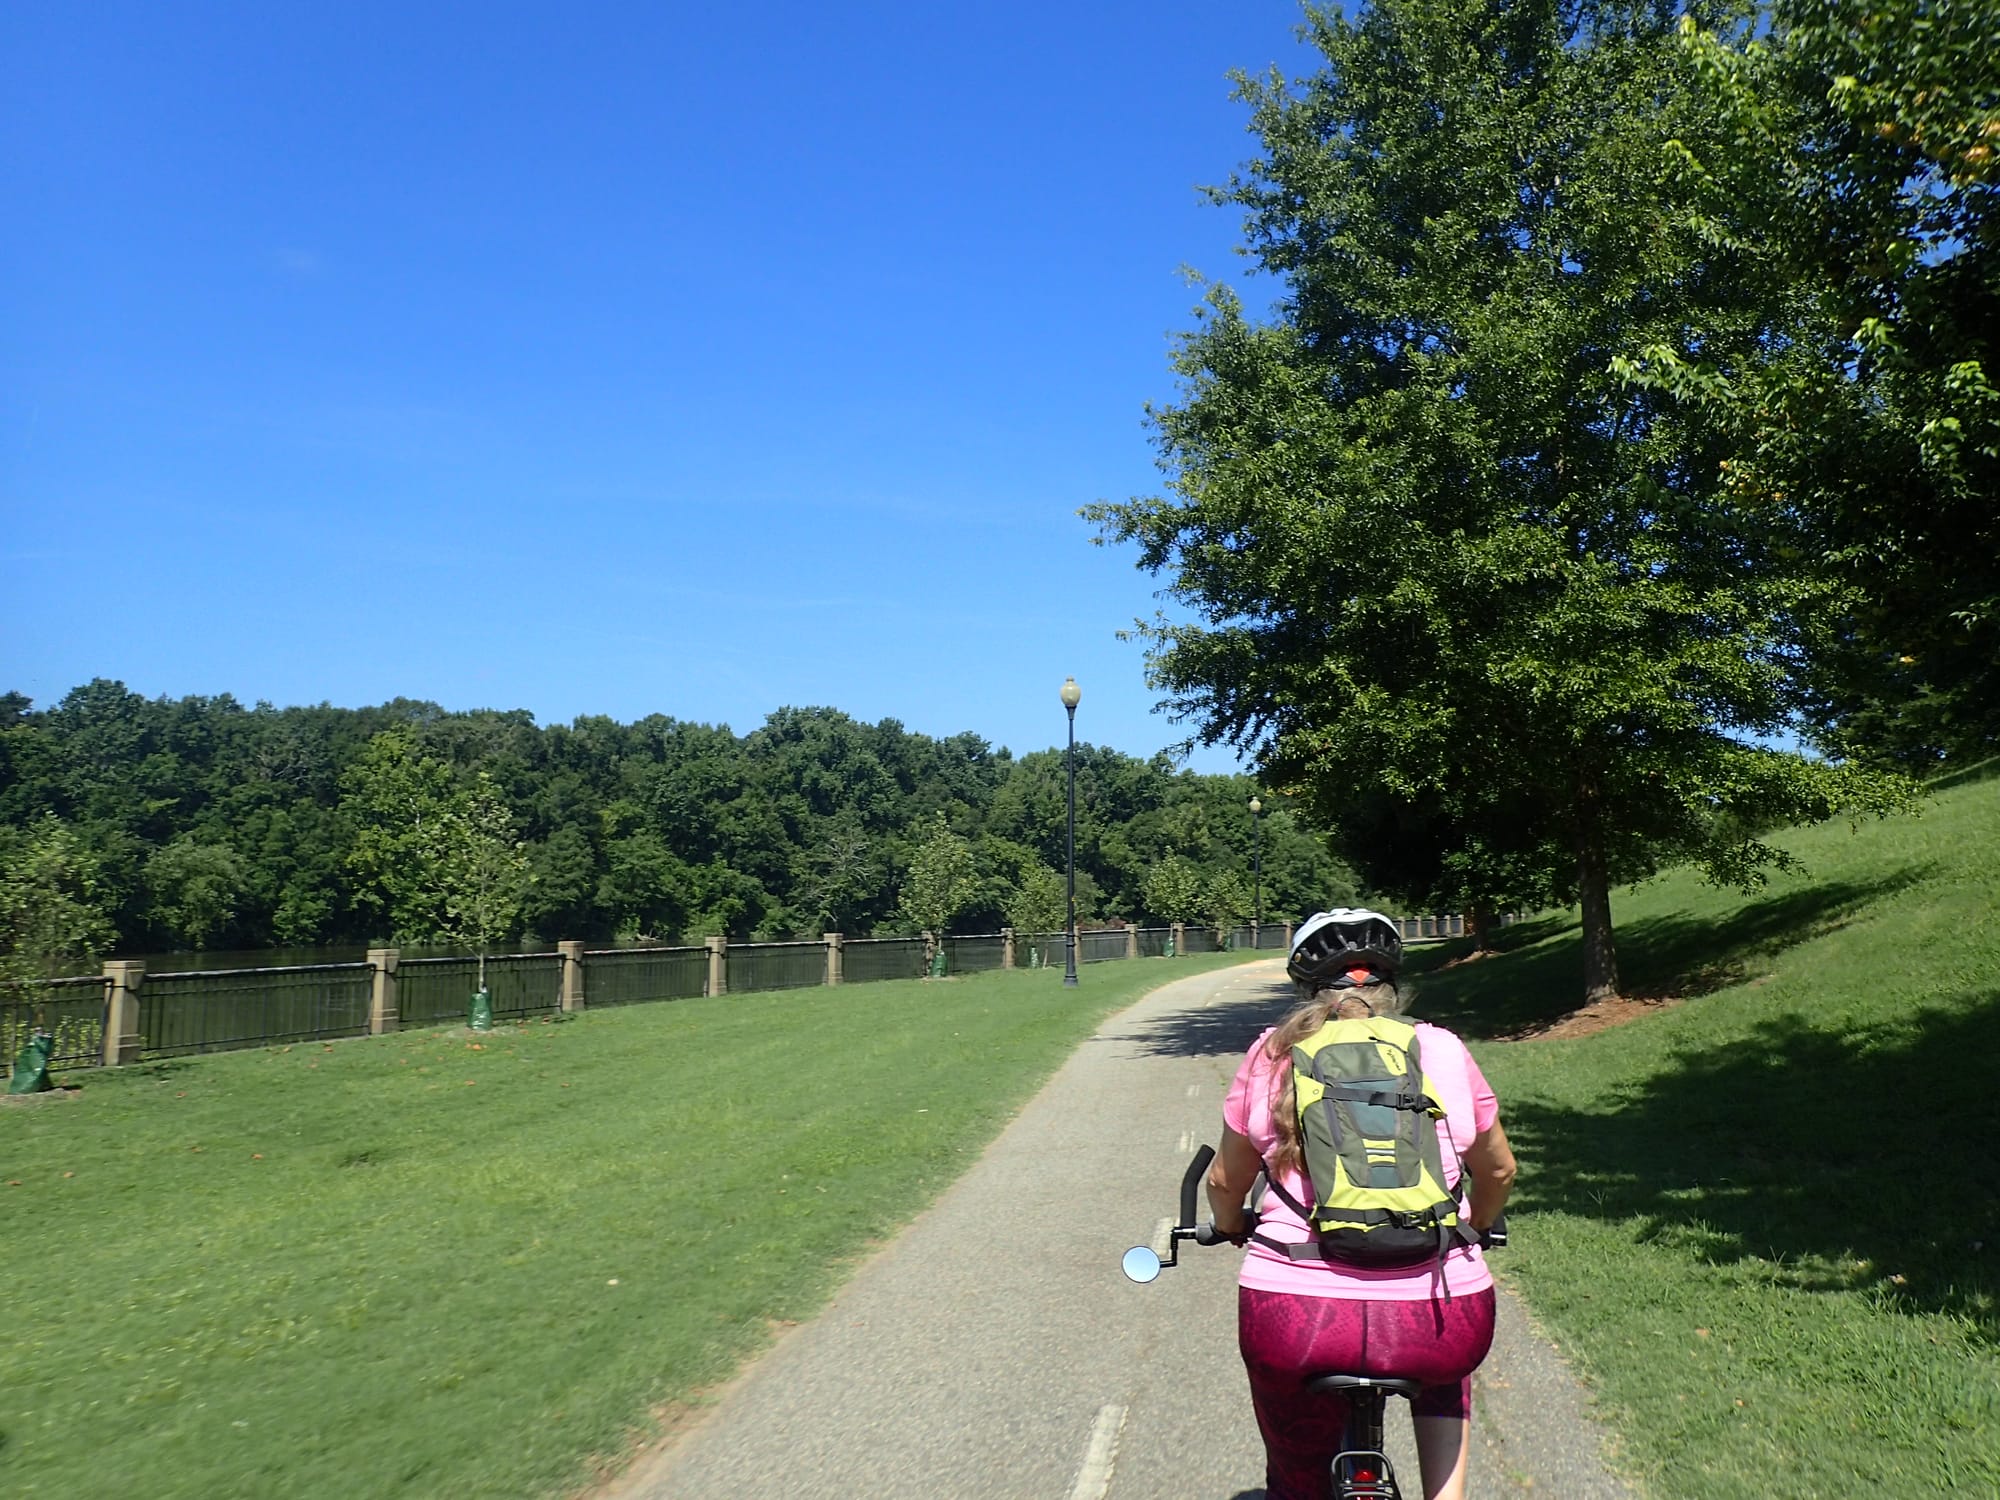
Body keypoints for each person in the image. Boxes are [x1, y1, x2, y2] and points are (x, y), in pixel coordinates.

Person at [1205, 909, 1517, 1500]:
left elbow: (1225, 1181)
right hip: (1439, 1317)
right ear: (1392, 989)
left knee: (1296, 1467)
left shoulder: (1271, 1054)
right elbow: (1499, 1169)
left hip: (1295, 1314)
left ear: (1305, 990)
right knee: (1445, 1368)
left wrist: (1228, 1225)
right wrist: (1477, 1225)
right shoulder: (1441, 1048)